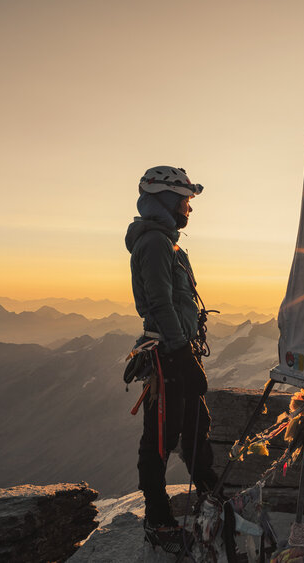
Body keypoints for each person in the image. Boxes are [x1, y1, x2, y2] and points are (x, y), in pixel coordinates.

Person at [124, 165, 219, 537]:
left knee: (196, 426)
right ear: (166, 200)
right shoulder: (155, 244)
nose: (189, 209)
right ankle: (158, 516)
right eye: (184, 201)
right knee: (161, 435)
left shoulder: (167, 243)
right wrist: (182, 355)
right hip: (167, 354)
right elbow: (161, 304)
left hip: (176, 350)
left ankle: (212, 497)